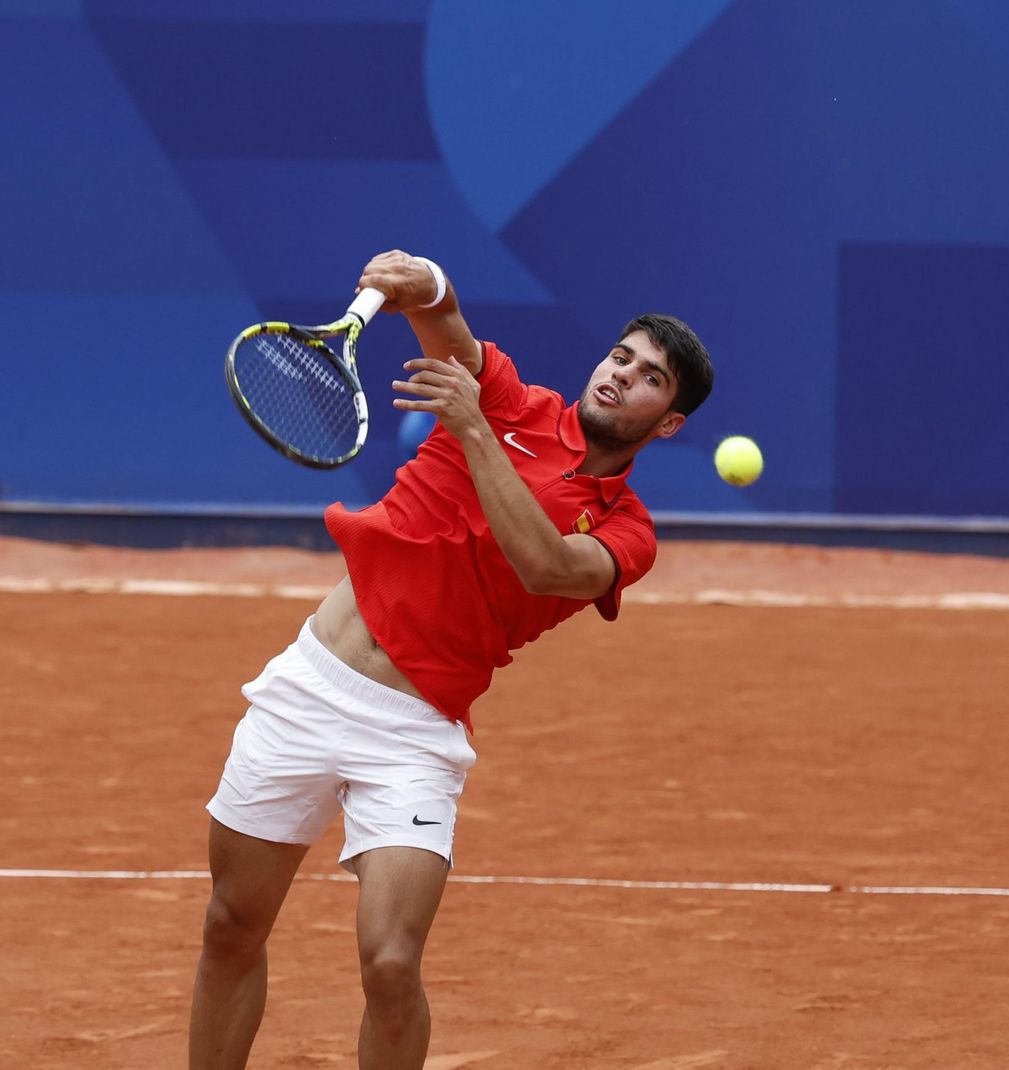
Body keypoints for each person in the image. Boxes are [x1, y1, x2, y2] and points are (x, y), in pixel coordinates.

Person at [188, 250, 714, 1069]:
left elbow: (547, 567)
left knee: (392, 964)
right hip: (310, 687)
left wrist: (471, 431)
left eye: (651, 379)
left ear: (669, 421)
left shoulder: (626, 532)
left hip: (413, 732)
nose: (621, 377)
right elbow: (444, 320)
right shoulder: (508, 396)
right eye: (621, 356)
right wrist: (421, 280)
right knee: (231, 926)